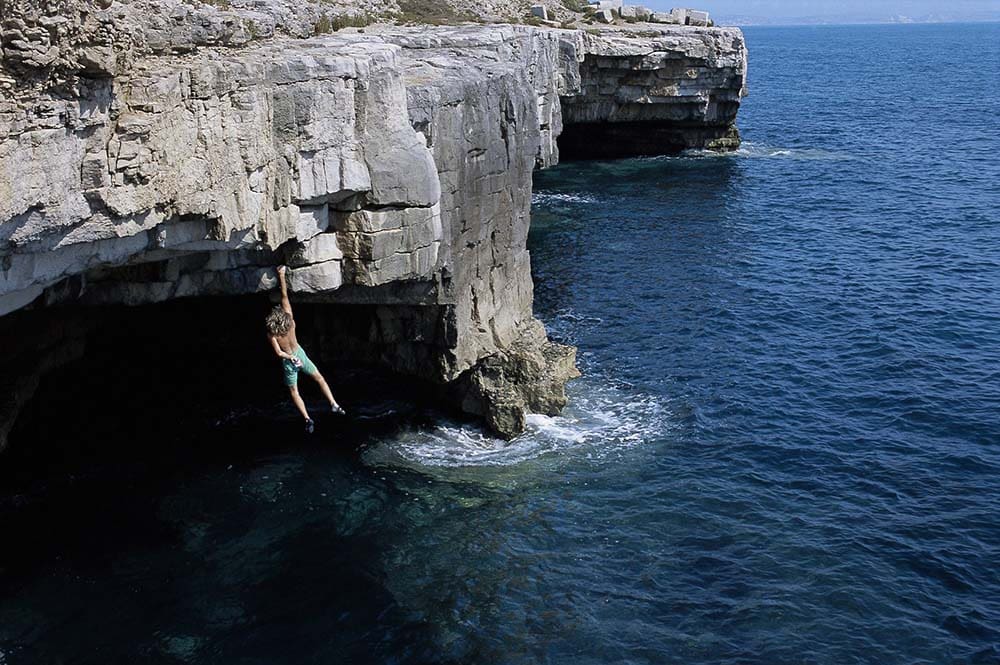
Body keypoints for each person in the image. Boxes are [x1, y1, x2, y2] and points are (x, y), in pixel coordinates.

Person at [266, 265, 345, 433]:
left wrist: (289, 358)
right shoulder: (291, 321)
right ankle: (334, 404)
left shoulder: (272, 335)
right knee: (319, 378)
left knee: (294, 391)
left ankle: (307, 419)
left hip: (289, 361)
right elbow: (284, 296)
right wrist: (281, 274)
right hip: (299, 353)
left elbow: (279, 353)